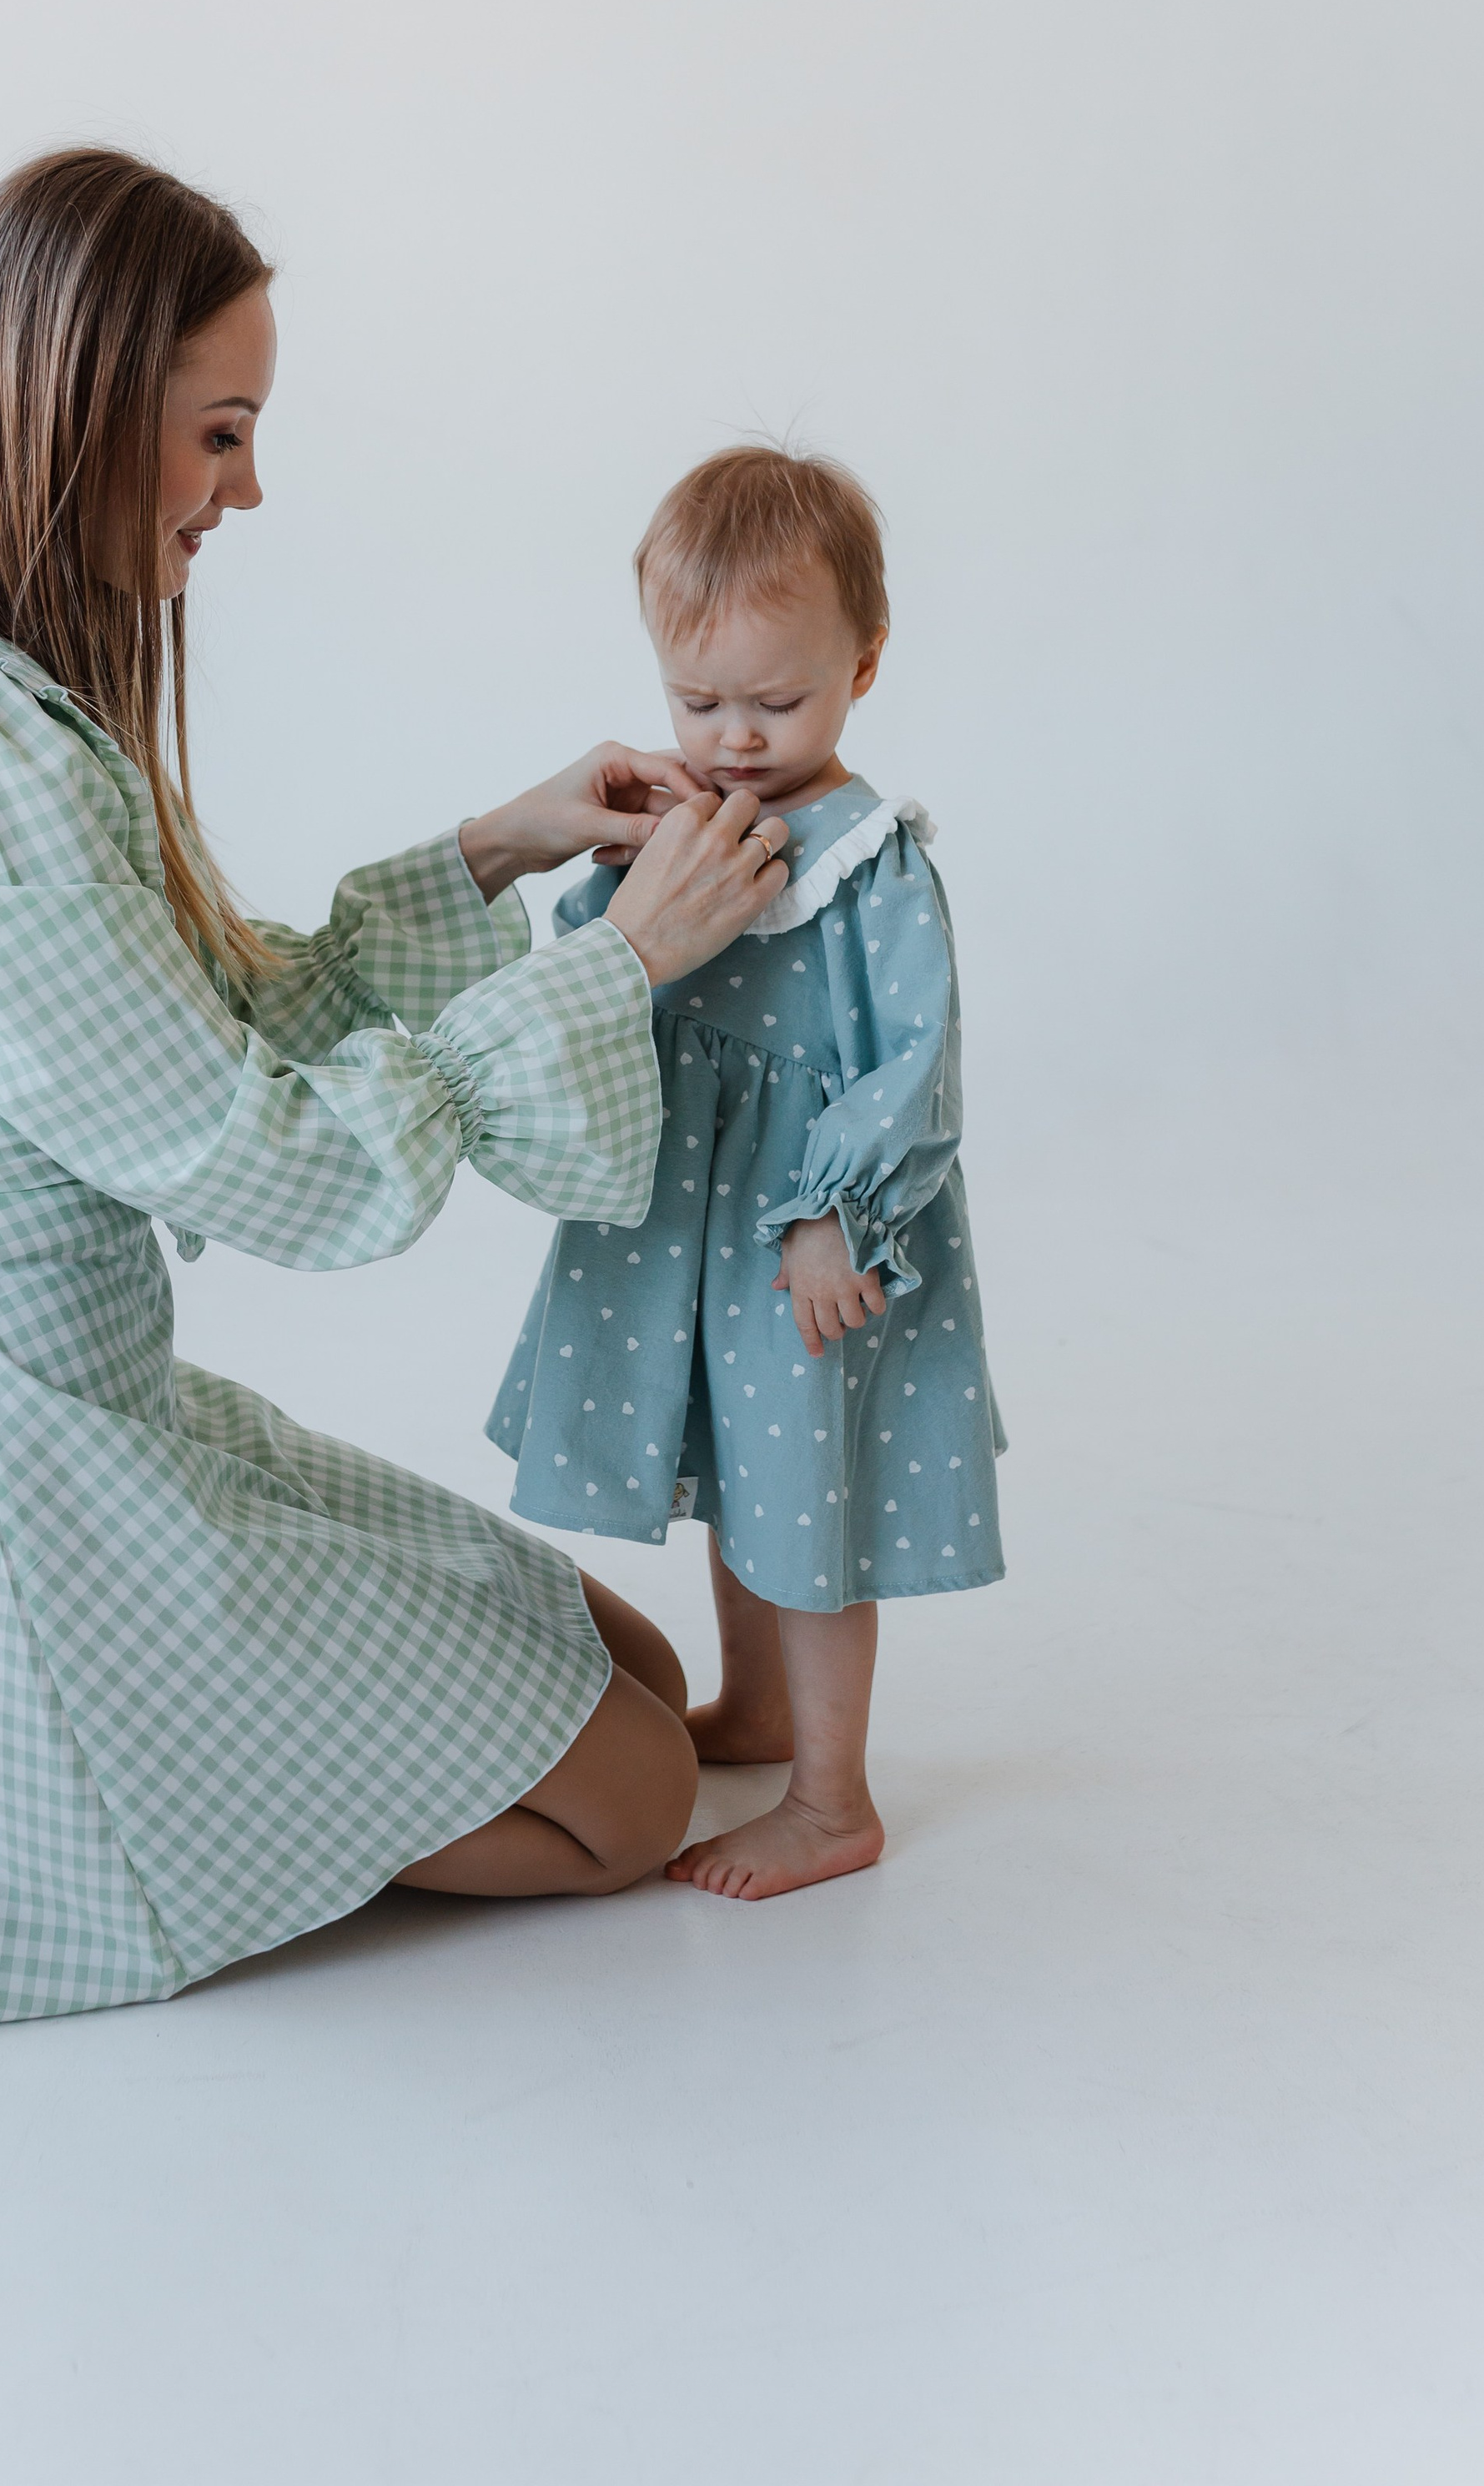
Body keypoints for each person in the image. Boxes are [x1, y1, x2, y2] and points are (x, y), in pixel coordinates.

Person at [0, 148, 794, 2032]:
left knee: (621, 1663)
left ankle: (238, 1775)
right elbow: (272, 1165)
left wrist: (499, 845)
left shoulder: (10, 703)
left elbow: (225, 1016)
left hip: (105, 1400)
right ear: (76, 407)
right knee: (632, 1801)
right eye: (220, 434)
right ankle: (144, 1821)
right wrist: (618, 962)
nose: (247, 489)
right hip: (24, 1478)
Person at [488, 445, 1006, 1900]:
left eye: (776, 702)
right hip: (684, 1225)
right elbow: (605, 981)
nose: (733, 739)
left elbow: (918, 1064)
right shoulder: (690, 818)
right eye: (696, 701)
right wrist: (610, 874)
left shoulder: (870, 861)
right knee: (738, 1467)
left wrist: (835, 1213)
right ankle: (760, 1705)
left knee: (812, 1494)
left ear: (865, 663)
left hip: (807, 1242)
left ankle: (832, 1797)